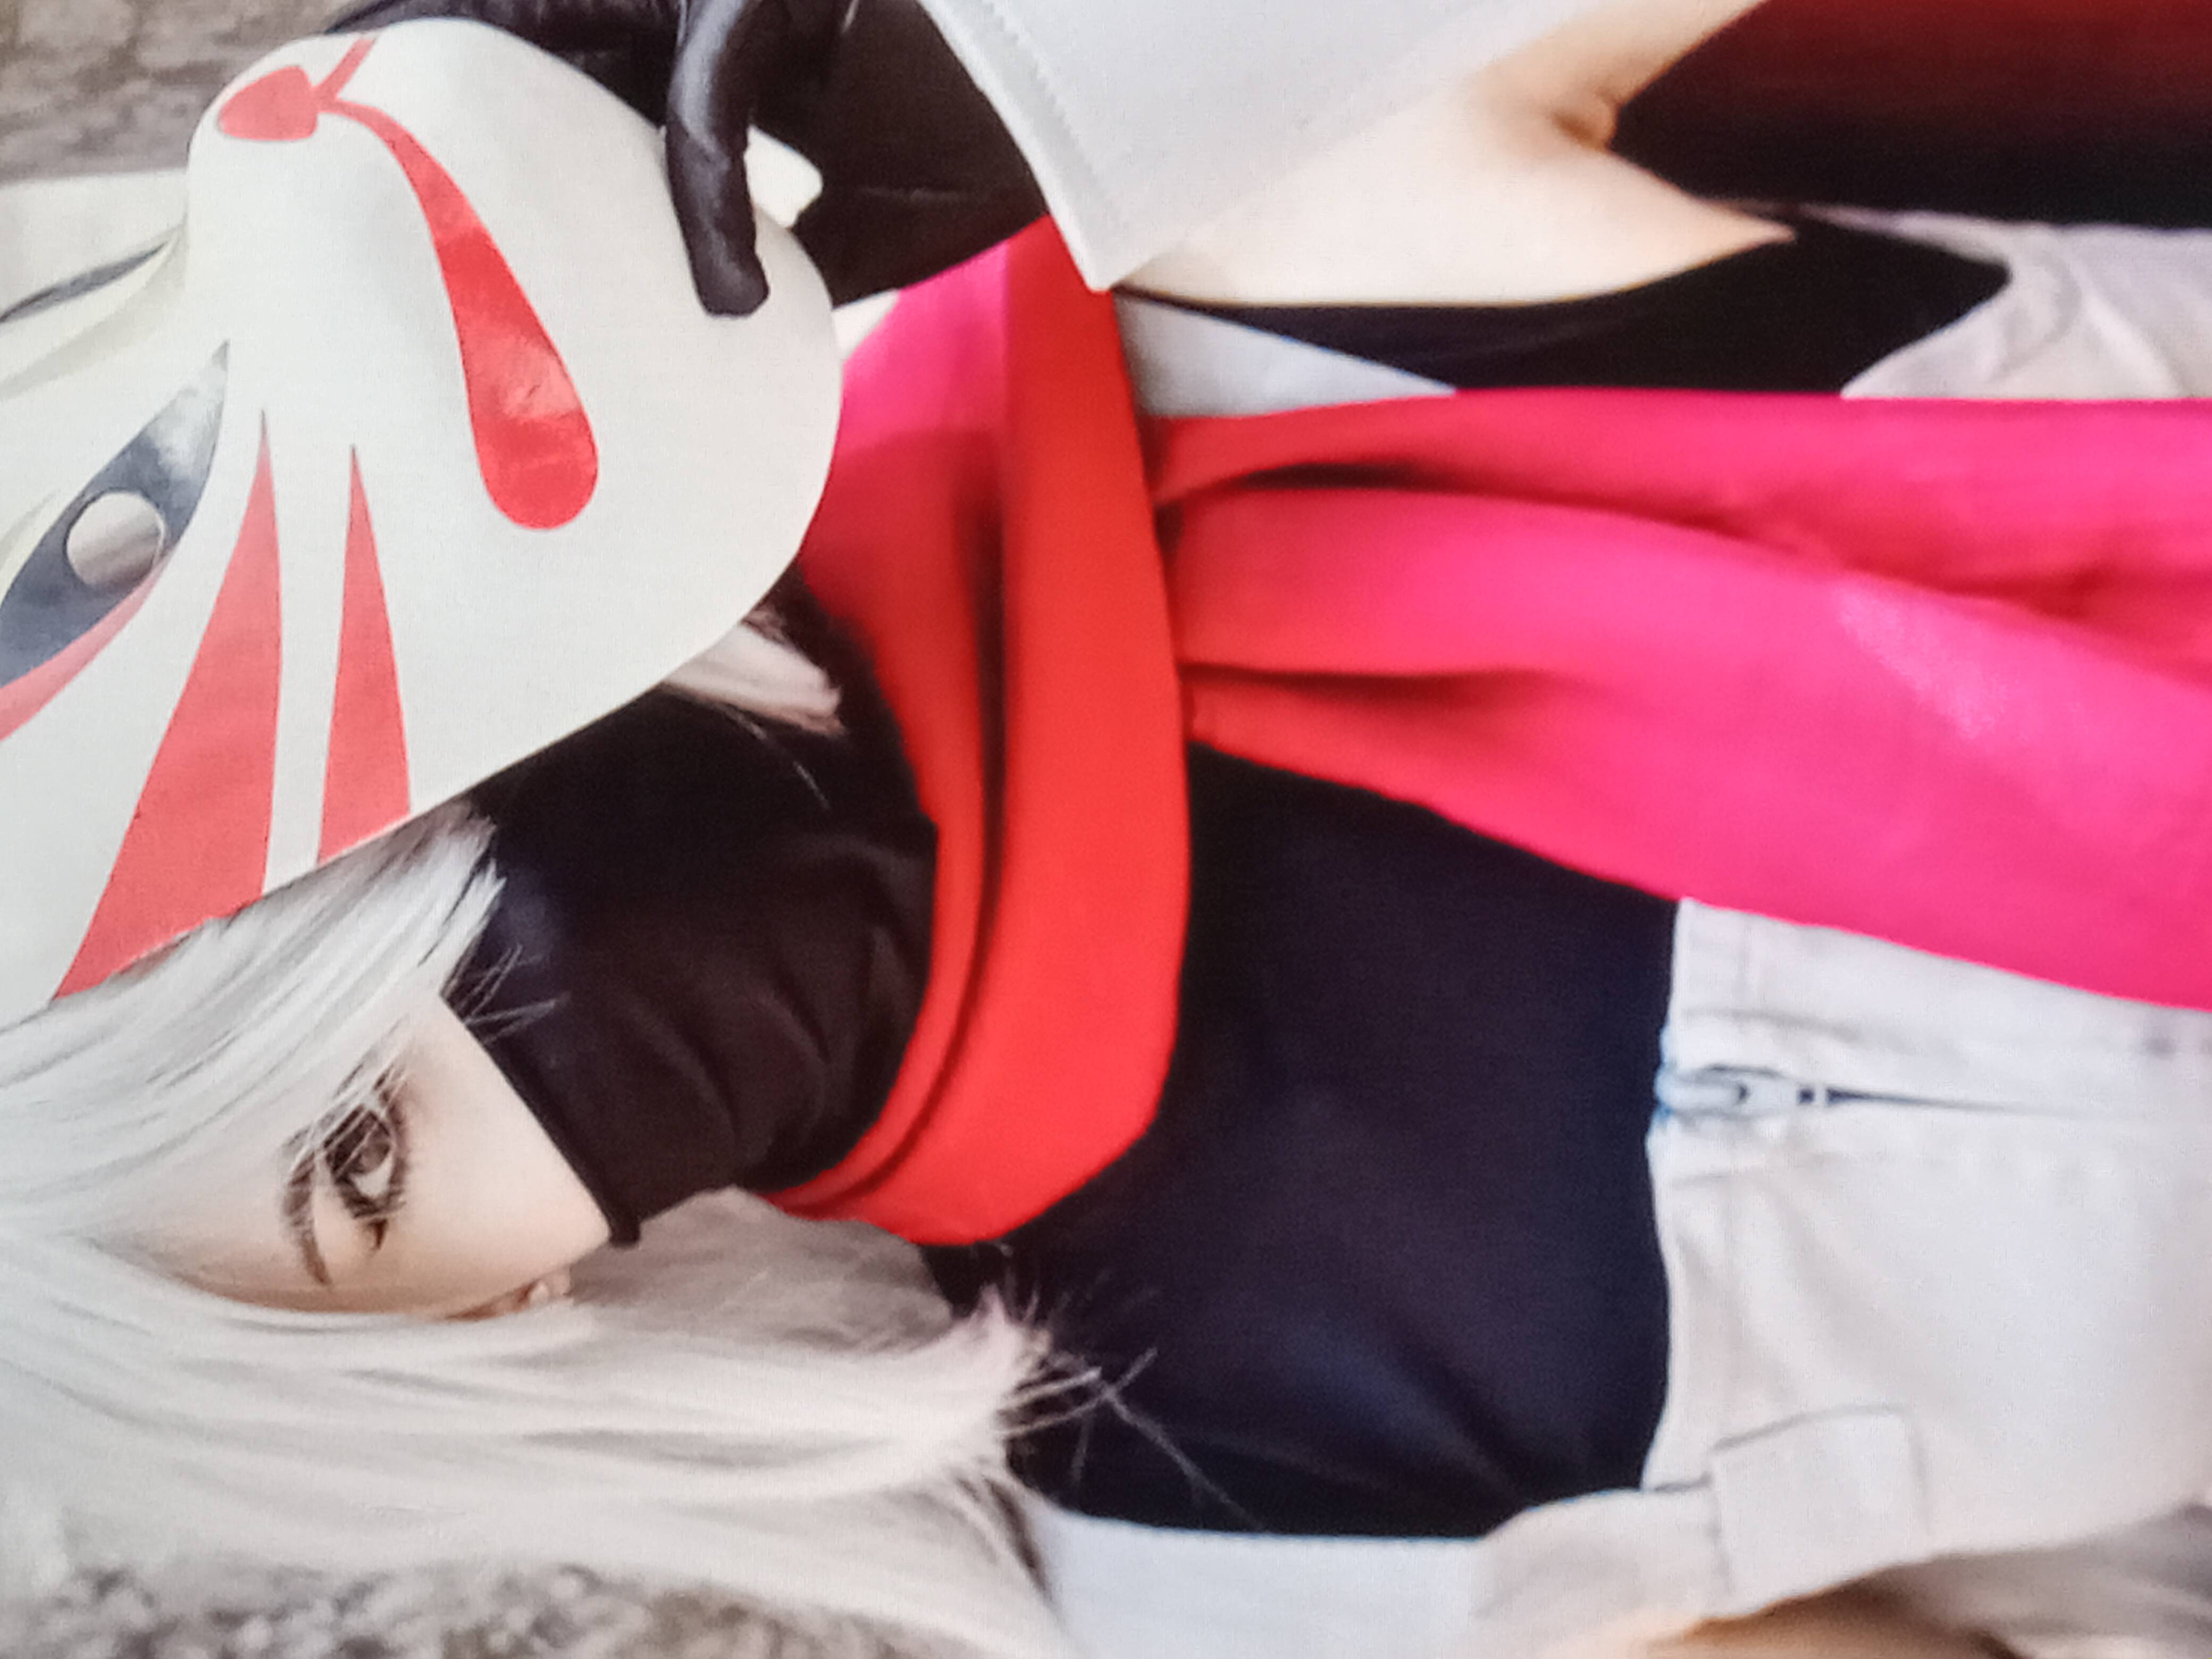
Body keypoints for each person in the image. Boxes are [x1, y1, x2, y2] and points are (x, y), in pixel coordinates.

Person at [6, 4, 2212, 1658]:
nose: (480, 928)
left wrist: (1055, 56)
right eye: (360, 1157)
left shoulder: (1181, 288)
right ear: (493, 1315)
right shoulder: (1242, 1536)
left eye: (348, 847)